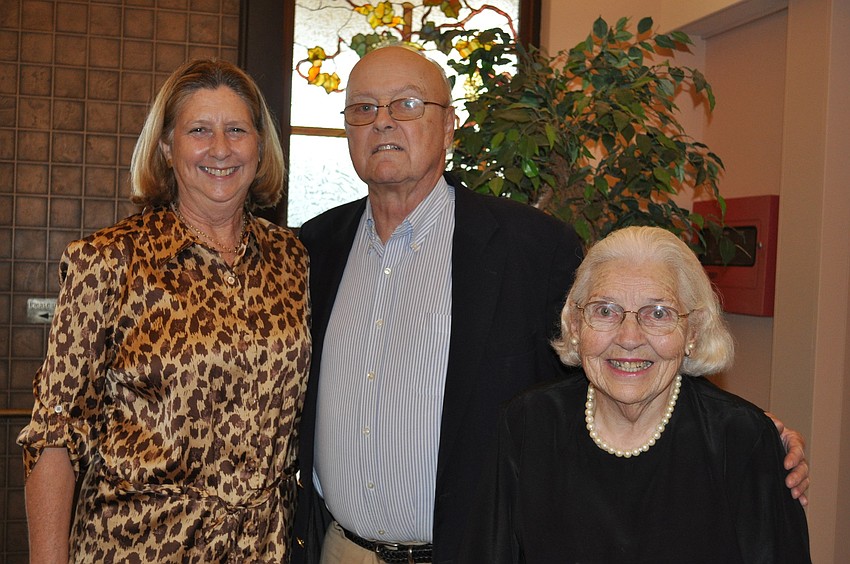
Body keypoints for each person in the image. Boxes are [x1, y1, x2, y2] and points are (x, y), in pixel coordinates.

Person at [291, 45, 809, 564]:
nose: (382, 123)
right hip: (337, 548)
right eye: (362, 109)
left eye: (405, 105)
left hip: (473, 549)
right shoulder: (314, 247)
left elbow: (613, 348)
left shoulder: (534, 248)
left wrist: (747, 432)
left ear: (448, 127)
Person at [17, 58, 311, 562]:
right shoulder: (108, 261)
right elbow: (55, 435)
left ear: (260, 148)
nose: (220, 148)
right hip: (137, 548)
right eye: (199, 130)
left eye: (236, 130)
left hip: (264, 550)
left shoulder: (293, 261)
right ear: (167, 148)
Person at [461, 226, 811, 563]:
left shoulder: (742, 441)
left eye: (658, 313)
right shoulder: (528, 424)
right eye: (605, 311)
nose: (629, 338)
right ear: (575, 325)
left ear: (693, 331)